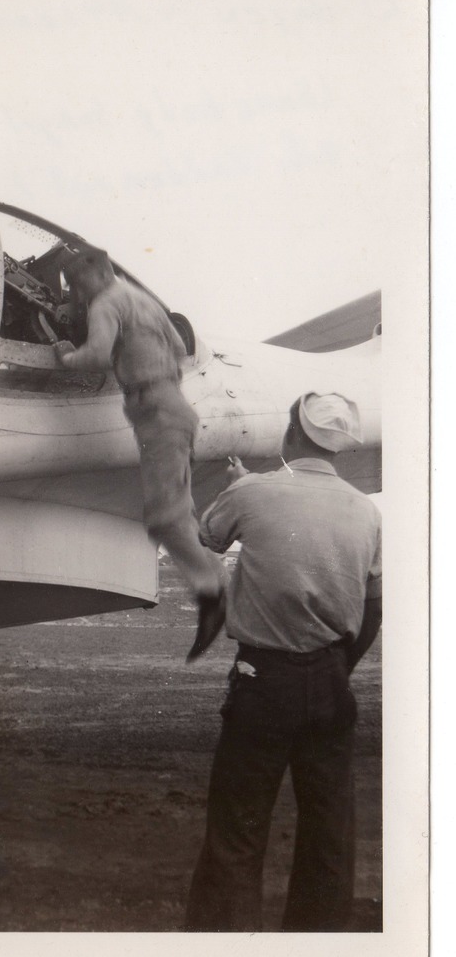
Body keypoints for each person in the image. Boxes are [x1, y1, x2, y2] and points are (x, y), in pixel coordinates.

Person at [184, 392, 382, 933]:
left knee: (237, 833)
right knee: (329, 836)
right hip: (330, 682)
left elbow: (209, 534)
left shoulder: (253, 490)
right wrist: (339, 665)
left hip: (263, 682)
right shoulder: (365, 511)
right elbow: (374, 605)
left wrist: (242, 487)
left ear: (291, 433)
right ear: (338, 447)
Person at [54, 246, 226, 643]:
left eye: (78, 286)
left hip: (157, 416)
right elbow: (181, 350)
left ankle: (212, 596)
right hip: (174, 407)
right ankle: (216, 582)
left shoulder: (105, 305)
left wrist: (66, 357)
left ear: (95, 275)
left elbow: (96, 356)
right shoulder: (140, 299)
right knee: (181, 516)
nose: (77, 296)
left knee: (164, 520)